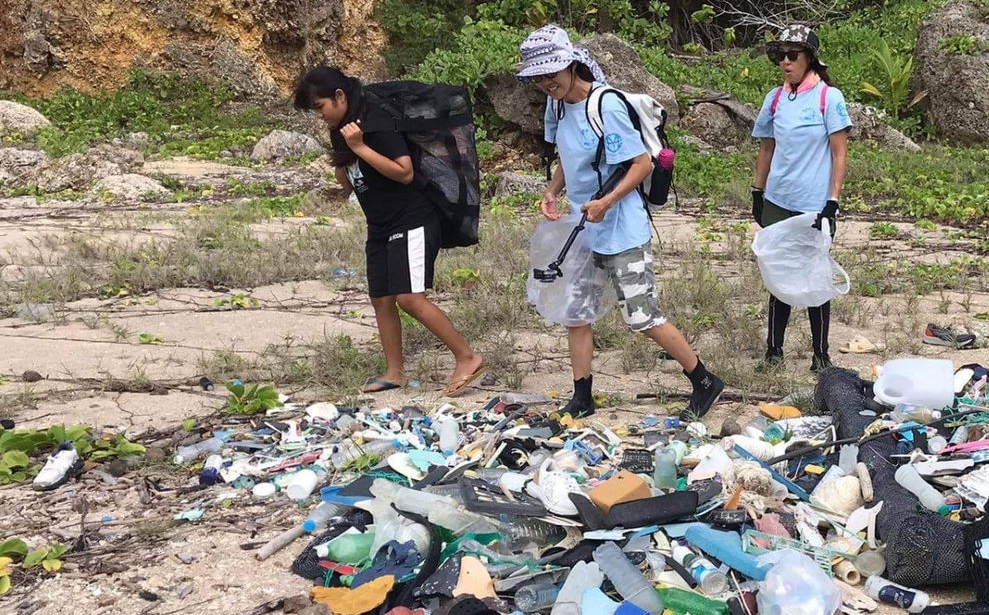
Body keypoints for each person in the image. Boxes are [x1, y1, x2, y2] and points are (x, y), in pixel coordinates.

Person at [518, 25, 725, 419]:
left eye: (552, 74)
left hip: (621, 227)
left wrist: (607, 201)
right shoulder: (557, 105)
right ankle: (582, 395)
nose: (547, 83)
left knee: (641, 315)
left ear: (571, 66)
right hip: (583, 226)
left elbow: (640, 163)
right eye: (539, 78)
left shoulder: (606, 106)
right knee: (576, 311)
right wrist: (553, 191)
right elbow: (568, 155)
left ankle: (703, 379)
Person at [293, 66, 486, 397]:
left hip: (411, 218)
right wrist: (345, 156)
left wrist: (359, 147)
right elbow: (349, 181)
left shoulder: (375, 121)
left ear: (339, 96)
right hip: (379, 223)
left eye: (320, 107)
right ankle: (394, 372)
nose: (319, 115)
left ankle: (468, 357)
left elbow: (405, 172)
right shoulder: (342, 128)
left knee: (409, 298)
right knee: (381, 298)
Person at [750, 24, 852, 371]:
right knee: (778, 275)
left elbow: (839, 153)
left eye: (793, 55)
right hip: (778, 200)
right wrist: (757, 192)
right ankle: (773, 351)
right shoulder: (775, 99)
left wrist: (832, 200)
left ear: (810, 59)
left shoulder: (828, 98)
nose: (785, 62)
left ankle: (820, 356)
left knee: (815, 277)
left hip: (814, 204)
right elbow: (766, 146)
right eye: (781, 56)